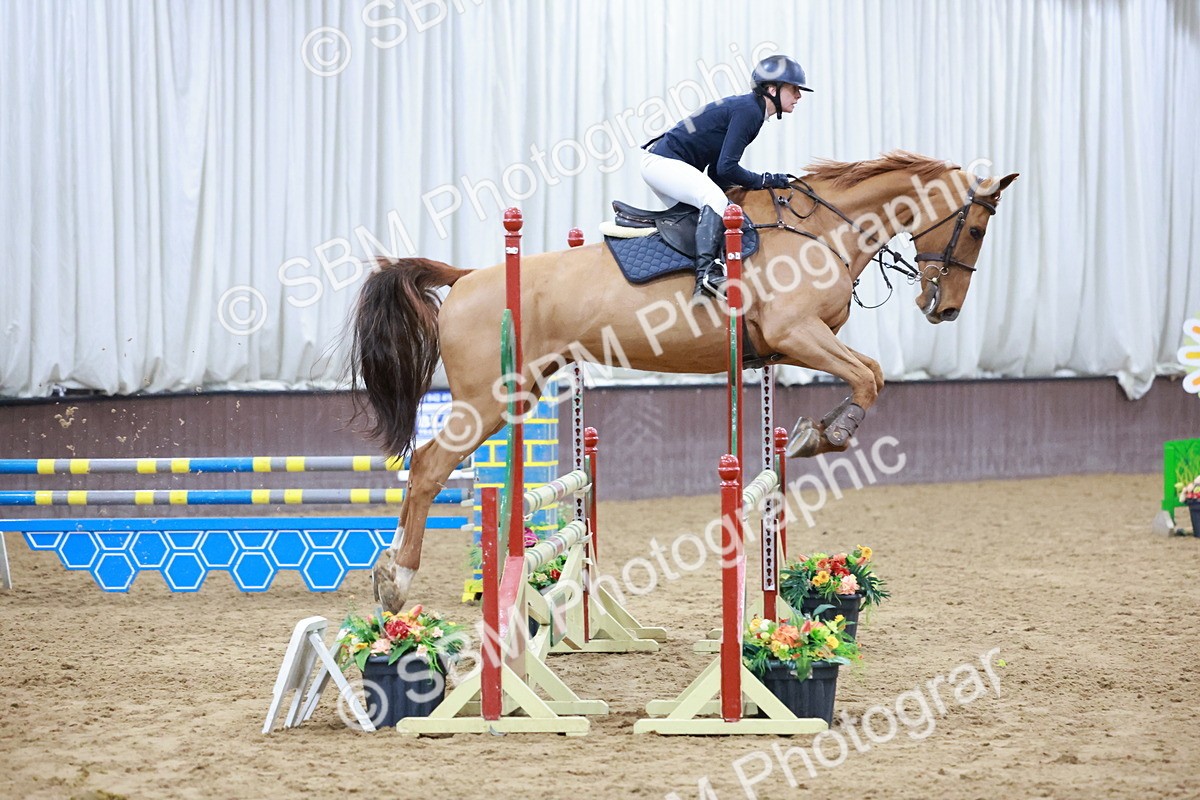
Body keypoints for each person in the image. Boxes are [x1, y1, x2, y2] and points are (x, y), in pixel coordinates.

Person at [640, 54, 812, 299]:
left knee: (716, 208)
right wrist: (766, 180)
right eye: (794, 88)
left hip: (662, 164)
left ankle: (695, 278)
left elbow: (718, 171)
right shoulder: (749, 111)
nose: (799, 96)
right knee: (714, 200)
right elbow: (727, 168)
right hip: (662, 163)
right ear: (772, 89)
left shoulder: (752, 111)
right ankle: (707, 276)